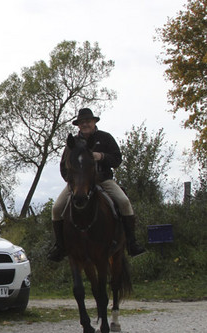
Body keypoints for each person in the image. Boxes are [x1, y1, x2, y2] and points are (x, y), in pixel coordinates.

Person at [48, 108, 146, 261]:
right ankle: (60, 247)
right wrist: (72, 183)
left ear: (94, 122)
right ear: (78, 125)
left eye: (88, 121)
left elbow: (117, 159)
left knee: (124, 202)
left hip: (104, 180)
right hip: (78, 185)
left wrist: (101, 156)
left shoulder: (105, 138)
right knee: (56, 208)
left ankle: (132, 243)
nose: (85, 124)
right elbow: (63, 166)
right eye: (82, 122)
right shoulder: (72, 143)